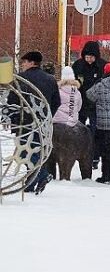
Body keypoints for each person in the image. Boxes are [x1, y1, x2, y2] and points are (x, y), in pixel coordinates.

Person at [12, 51, 61, 193]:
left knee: (25, 151)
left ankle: (42, 174)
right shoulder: (50, 79)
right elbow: (56, 101)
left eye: (25, 61)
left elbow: (13, 100)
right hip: (42, 122)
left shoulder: (20, 79)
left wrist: (13, 118)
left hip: (24, 121)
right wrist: (47, 115)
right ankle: (31, 182)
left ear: (32, 62)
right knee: (37, 150)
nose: (23, 64)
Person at [72, 41, 107, 150]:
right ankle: (79, 148)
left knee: (95, 128)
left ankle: (93, 150)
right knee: (79, 127)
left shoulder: (103, 66)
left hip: (97, 104)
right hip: (81, 103)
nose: (89, 60)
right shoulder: (78, 65)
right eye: (87, 57)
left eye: (91, 57)